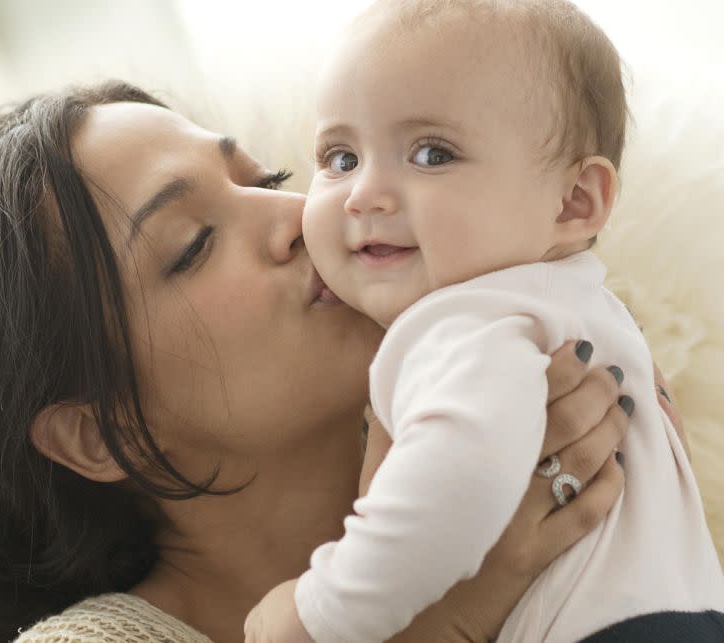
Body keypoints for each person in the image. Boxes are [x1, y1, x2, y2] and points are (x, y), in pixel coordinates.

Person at [0, 80, 679, 643]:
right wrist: (449, 619)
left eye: (268, 176)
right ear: (98, 431)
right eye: (194, 244)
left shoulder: (517, 402)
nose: (296, 216)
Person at [243, 1, 724, 642]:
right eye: (340, 158)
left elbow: (456, 481)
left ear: (573, 202)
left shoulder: (466, 317)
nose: (362, 194)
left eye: (433, 154)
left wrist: (318, 614)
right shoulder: (578, 310)